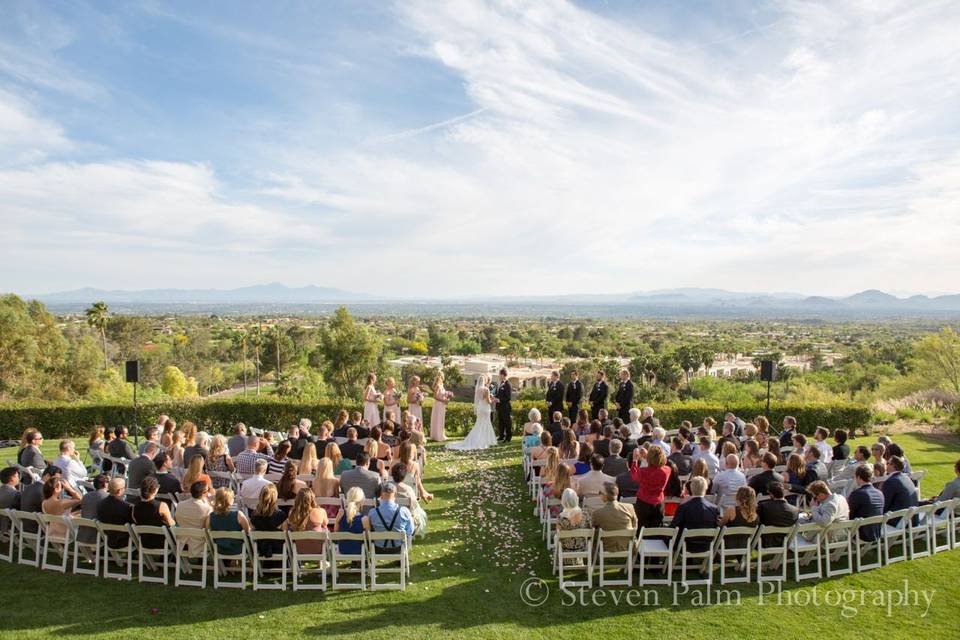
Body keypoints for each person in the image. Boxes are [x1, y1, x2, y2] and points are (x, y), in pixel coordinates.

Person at [448, 375, 498, 451]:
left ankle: (480, 439)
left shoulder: (478, 389)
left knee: (479, 424)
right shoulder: (486, 389)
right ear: (484, 381)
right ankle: (485, 440)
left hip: (480, 408)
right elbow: (488, 401)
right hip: (485, 408)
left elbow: (479, 399)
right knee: (485, 423)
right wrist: (493, 400)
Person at [671, 477, 720, 552]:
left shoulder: (684, 507)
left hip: (685, 546)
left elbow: (674, 526)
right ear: (706, 489)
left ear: (691, 488)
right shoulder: (713, 508)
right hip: (706, 546)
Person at [363, 481, 413, 552]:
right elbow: (410, 531)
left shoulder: (372, 512)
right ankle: (402, 559)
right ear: (395, 494)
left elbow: (369, 530)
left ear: (381, 495)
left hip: (378, 548)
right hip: (399, 548)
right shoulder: (404, 511)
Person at [630, 446, 671, 528]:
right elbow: (660, 464)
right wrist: (648, 457)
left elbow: (634, 476)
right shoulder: (667, 470)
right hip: (658, 503)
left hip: (643, 503)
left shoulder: (643, 472)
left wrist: (635, 460)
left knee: (641, 528)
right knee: (656, 529)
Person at [591, 483, 637, 551]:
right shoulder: (630, 507)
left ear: (605, 496)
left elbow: (592, 530)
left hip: (605, 548)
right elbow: (635, 525)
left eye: (600, 492)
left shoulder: (597, 513)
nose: (599, 494)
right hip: (627, 546)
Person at [130, 476, 174, 548]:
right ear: (156, 490)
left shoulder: (134, 507)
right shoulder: (161, 506)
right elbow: (171, 523)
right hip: (162, 542)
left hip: (144, 542)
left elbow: (135, 521)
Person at [206, 488, 250, 555]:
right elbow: (247, 531)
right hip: (238, 549)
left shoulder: (211, 516)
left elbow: (207, 531)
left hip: (219, 549)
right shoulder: (239, 515)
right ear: (231, 501)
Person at [847, 465, 885, 541]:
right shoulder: (880, 493)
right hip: (876, 531)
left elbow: (849, 514)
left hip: (860, 532)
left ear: (858, 477)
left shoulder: (857, 494)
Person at [283, 488, 327, 553]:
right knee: (325, 529)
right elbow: (325, 525)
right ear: (312, 498)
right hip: (318, 550)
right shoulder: (320, 511)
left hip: (298, 550)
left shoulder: (292, 512)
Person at [175, 480, 214, 551]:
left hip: (182, 543)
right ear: (204, 493)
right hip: (200, 544)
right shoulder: (207, 509)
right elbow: (209, 528)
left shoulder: (180, 505)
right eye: (208, 490)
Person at [250, 483, 287, 557]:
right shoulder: (281, 515)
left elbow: (251, 531)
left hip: (260, 550)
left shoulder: (254, 515)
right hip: (278, 550)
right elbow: (285, 534)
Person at [881, 456, 918, 525]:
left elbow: (885, 504)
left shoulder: (891, 481)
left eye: (888, 463)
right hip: (912, 518)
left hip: (898, 520)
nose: (886, 465)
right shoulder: (906, 477)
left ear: (893, 465)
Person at [555, 487, 592, 552]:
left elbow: (558, 534)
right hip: (582, 548)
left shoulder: (561, 517)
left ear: (563, 501)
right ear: (576, 499)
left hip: (564, 549)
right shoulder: (585, 515)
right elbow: (589, 529)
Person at [76, 474, 108, 544]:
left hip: (83, 534)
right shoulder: (107, 497)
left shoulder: (86, 496)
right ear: (105, 484)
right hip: (98, 535)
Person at [334, 486, 366, 554]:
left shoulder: (341, 513)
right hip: (359, 551)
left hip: (342, 549)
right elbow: (367, 538)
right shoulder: (364, 519)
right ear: (362, 501)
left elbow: (335, 531)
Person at [495, 368, 514, 442]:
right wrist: (494, 397)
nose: (499, 376)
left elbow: (508, 397)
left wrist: (499, 400)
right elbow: (499, 394)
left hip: (505, 407)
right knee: (501, 422)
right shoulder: (501, 383)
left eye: (499, 375)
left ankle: (508, 437)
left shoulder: (508, 384)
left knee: (507, 422)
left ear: (503, 375)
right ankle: (501, 435)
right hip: (500, 407)